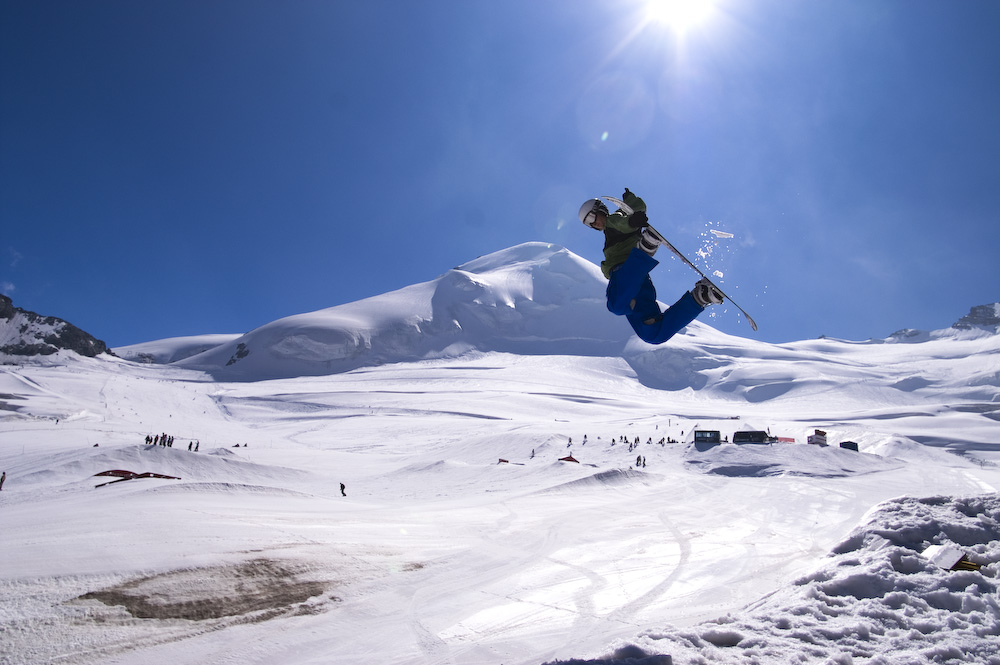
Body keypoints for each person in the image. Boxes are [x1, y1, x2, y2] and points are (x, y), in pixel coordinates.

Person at [579, 188, 723, 344]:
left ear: (599, 209)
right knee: (652, 334)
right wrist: (632, 213)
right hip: (637, 283)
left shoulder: (612, 222)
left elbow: (623, 220)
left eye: (592, 217)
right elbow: (633, 212)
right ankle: (700, 297)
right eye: (588, 224)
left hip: (625, 274)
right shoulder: (613, 227)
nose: (594, 224)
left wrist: (631, 218)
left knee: (616, 305)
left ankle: (645, 251)